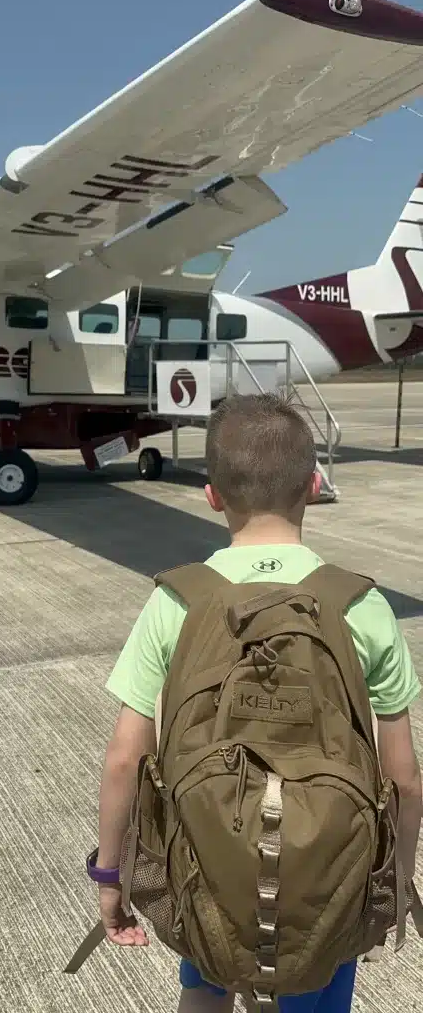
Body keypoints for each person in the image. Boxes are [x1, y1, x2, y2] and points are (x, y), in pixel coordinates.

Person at [94, 393, 422, 1013]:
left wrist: (113, 877)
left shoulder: (178, 601)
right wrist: (395, 884)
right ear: (314, 485)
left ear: (213, 494)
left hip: (208, 856)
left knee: (205, 987)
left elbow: (123, 762)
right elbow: (403, 779)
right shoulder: (361, 605)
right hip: (328, 875)